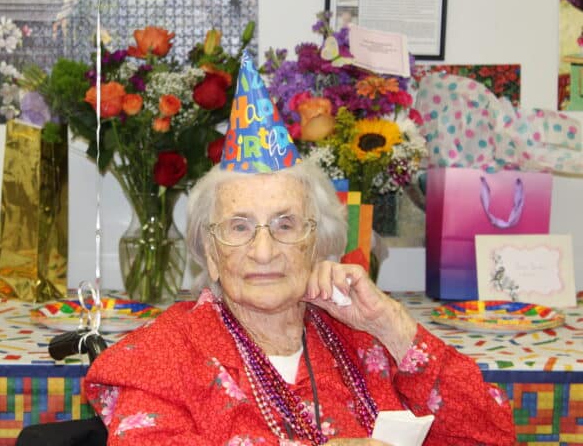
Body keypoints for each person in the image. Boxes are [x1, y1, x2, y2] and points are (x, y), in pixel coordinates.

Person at [84, 53, 516, 445]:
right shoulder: (162, 359)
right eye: (239, 227)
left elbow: (491, 437)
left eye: (285, 224)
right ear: (212, 255)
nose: (264, 250)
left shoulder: (366, 343)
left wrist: (394, 327)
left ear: (319, 244)